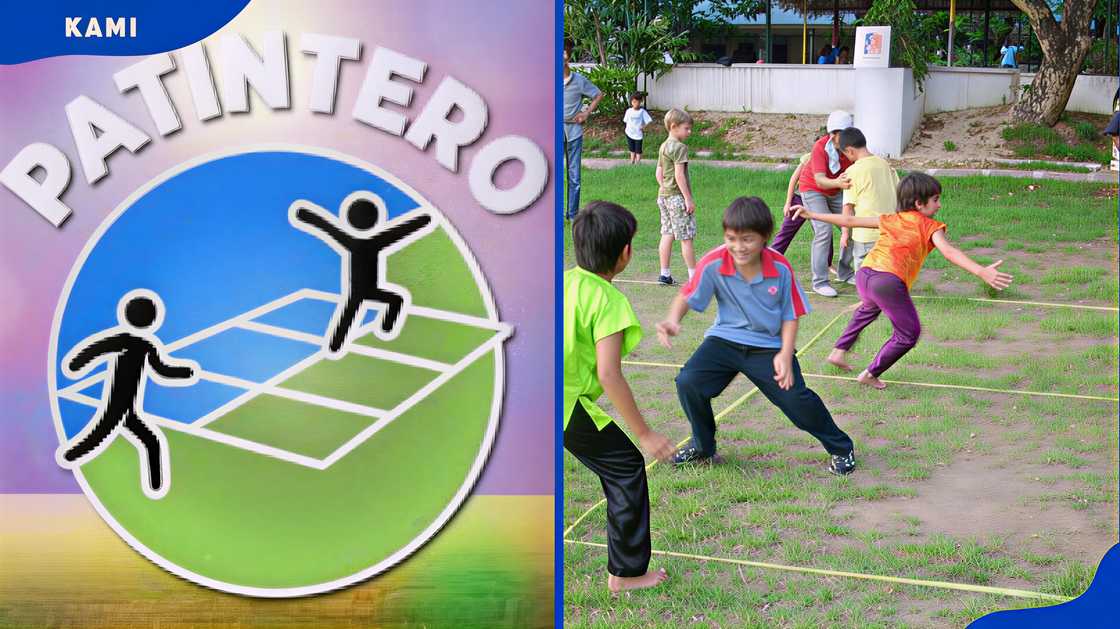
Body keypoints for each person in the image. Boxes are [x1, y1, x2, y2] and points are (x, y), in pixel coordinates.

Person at [656, 197, 857, 475]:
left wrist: (786, 355)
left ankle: (841, 448)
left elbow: (790, 315)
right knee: (689, 382)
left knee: (797, 402)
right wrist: (672, 320)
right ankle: (703, 446)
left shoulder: (780, 267)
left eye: (747, 239)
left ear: (765, 237)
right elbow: (688, 294)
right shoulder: (714, 261)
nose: (738, 247)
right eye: (732, 238)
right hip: (724, 340)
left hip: (769, 347)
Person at [794, 173, 1014, 389]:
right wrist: (981, 271)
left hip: (865, 274)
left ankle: (838, 351)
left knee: (868, 308)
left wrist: (811, 214)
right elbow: (948, 251)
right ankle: (870, 374)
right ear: (919, 203)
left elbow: (850, 220)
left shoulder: (890, 219)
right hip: (887, 281)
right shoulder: (931, 226)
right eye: (935, 200)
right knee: (909, 334)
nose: (939, 205)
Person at [564, 200, 676, 593]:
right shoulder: (608, 301)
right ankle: (625, 576)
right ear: (625, 253)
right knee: (626, 467)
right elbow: (610, 373)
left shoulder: (563, 281)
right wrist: (644, 434)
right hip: (563, 403)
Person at [55, 290, 200, 500]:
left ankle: (156, 484)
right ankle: (71, 455)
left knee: (148, 441)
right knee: (102, 436)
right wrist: (75, 364)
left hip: (128, 409)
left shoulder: (137, 344)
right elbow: (162, 369)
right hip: (119, 406)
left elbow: (95, 350)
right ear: (151, 320)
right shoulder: (141, 345)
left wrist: (76, 364)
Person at [289, 193, 433, 354]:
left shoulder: (353, 242)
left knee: (356, 313)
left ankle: (341, 343)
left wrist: (305, 215)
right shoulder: (375, 242)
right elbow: (400, 231)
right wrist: (424, 219)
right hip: (366, 291)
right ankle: (350, 340)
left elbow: (328, 227)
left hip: (361, 291)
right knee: (391, 301)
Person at [800, 110, 856, 297]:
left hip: (837, 191)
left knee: (854, 225)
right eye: (832, 133)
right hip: (813, 190)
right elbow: (819, 180)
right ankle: (820, 282)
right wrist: (838, 183)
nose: (833, 137)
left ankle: (845, 273)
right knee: (824, 229)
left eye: (837, 133)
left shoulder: (852, 147)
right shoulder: (820, 147)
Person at [837, 127, 900, 269]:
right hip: (889, 233)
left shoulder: (852, 172)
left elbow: (847, 207)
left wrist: (845, 233)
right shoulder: (885, 165)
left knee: (865, 278)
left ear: (850, 151)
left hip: (865, 237)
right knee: (887, 274)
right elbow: (900, 194)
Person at [771, 152, 834, 274]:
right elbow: (794, 179)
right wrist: (788, 203)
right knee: (786, 232)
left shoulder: (836, 158)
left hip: (818, 200)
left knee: (825, 231)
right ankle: (770, 261)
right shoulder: (810, 157)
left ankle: (827, 263)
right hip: (799, 198)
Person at [655, 108, 698, 286]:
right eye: (686, 128)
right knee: (686, 238)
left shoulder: (664, 146)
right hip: (677, 198)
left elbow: (659, 172)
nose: (689, 132)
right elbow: (679, 176)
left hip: (663, 196)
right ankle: (694, 278)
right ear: (674, 127)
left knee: (667, 233)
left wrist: (664, 187)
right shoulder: (680, 148)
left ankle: (664, 274)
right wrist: (687, 198)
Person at [563, 42, 604, 221]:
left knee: (574, 176)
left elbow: (598, 94)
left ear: (568, 58)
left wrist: (586, 113)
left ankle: (572, 215)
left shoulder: (579, 81)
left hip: (574, 132)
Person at [622, 92, 653, 164]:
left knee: (638, 149)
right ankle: (632, 161)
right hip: (629, 133)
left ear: (641, 102)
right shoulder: (628, 111)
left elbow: (649, 121)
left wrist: (643, 127)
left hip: (638, 134)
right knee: (631, 148)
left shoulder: (642, 112)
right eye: (634, 102)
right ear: (631, 102)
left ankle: (638, 162)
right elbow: (625, 121)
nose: (636, 104)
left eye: (638, 102)